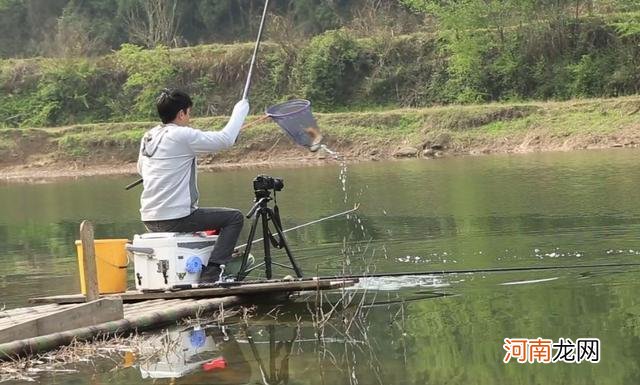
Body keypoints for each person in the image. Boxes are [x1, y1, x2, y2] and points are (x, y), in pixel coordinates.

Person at [137, 89, 250, 283]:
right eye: (189, 112)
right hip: (176, 218)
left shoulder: (149, 136)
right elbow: (226, 139)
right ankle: (213, 272)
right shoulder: (182, 135)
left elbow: (141, 169)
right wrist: (240, 111)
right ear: (181, 113)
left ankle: (197, 270)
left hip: (149, 217)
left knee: (207, 226)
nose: (189, 117)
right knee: (234, 218)